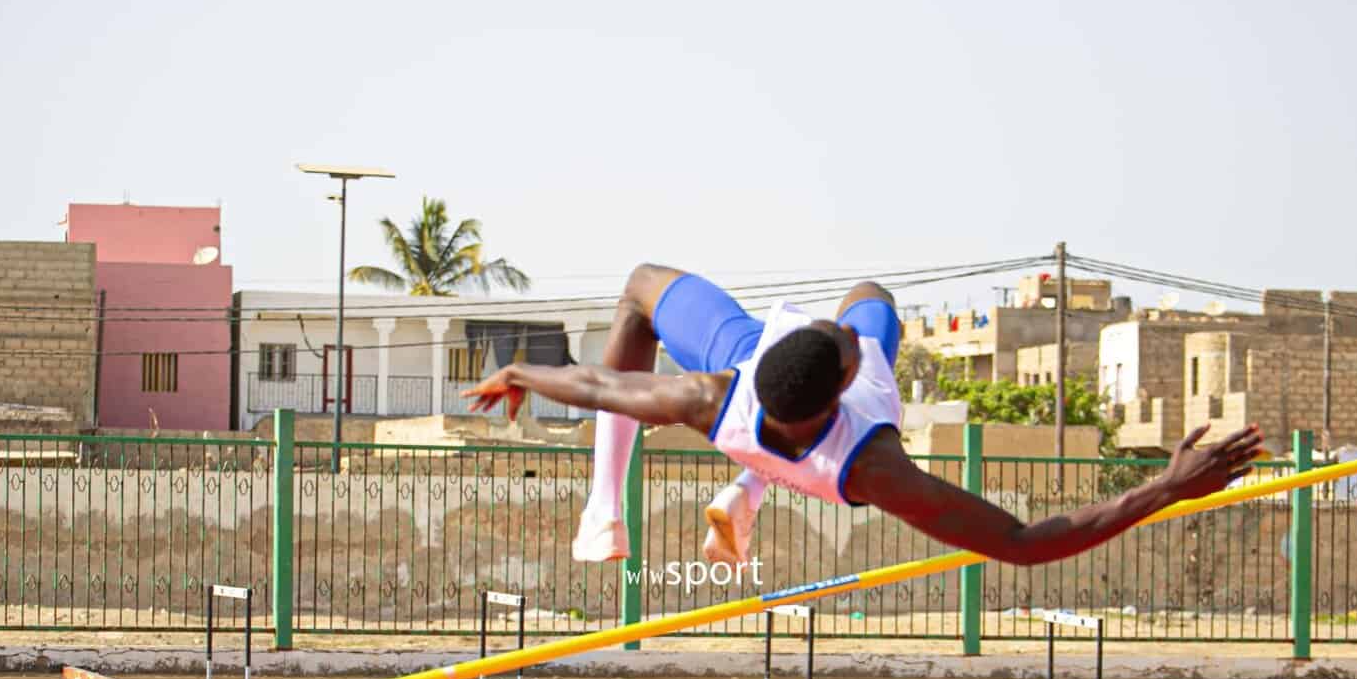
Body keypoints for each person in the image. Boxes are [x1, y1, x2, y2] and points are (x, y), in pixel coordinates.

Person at [463, 265, 1264, 567]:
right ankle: (743, 491)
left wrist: (513, 370)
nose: (847, 339)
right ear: (846, 388)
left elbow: (596, 386)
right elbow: (1024, 543)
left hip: (755, 399)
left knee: (641, 283)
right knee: (874, 294)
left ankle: (609, 511)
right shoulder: (873, 464)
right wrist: (1165, 488)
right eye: (848, 352)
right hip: (804, 455)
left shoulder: (707, 397)